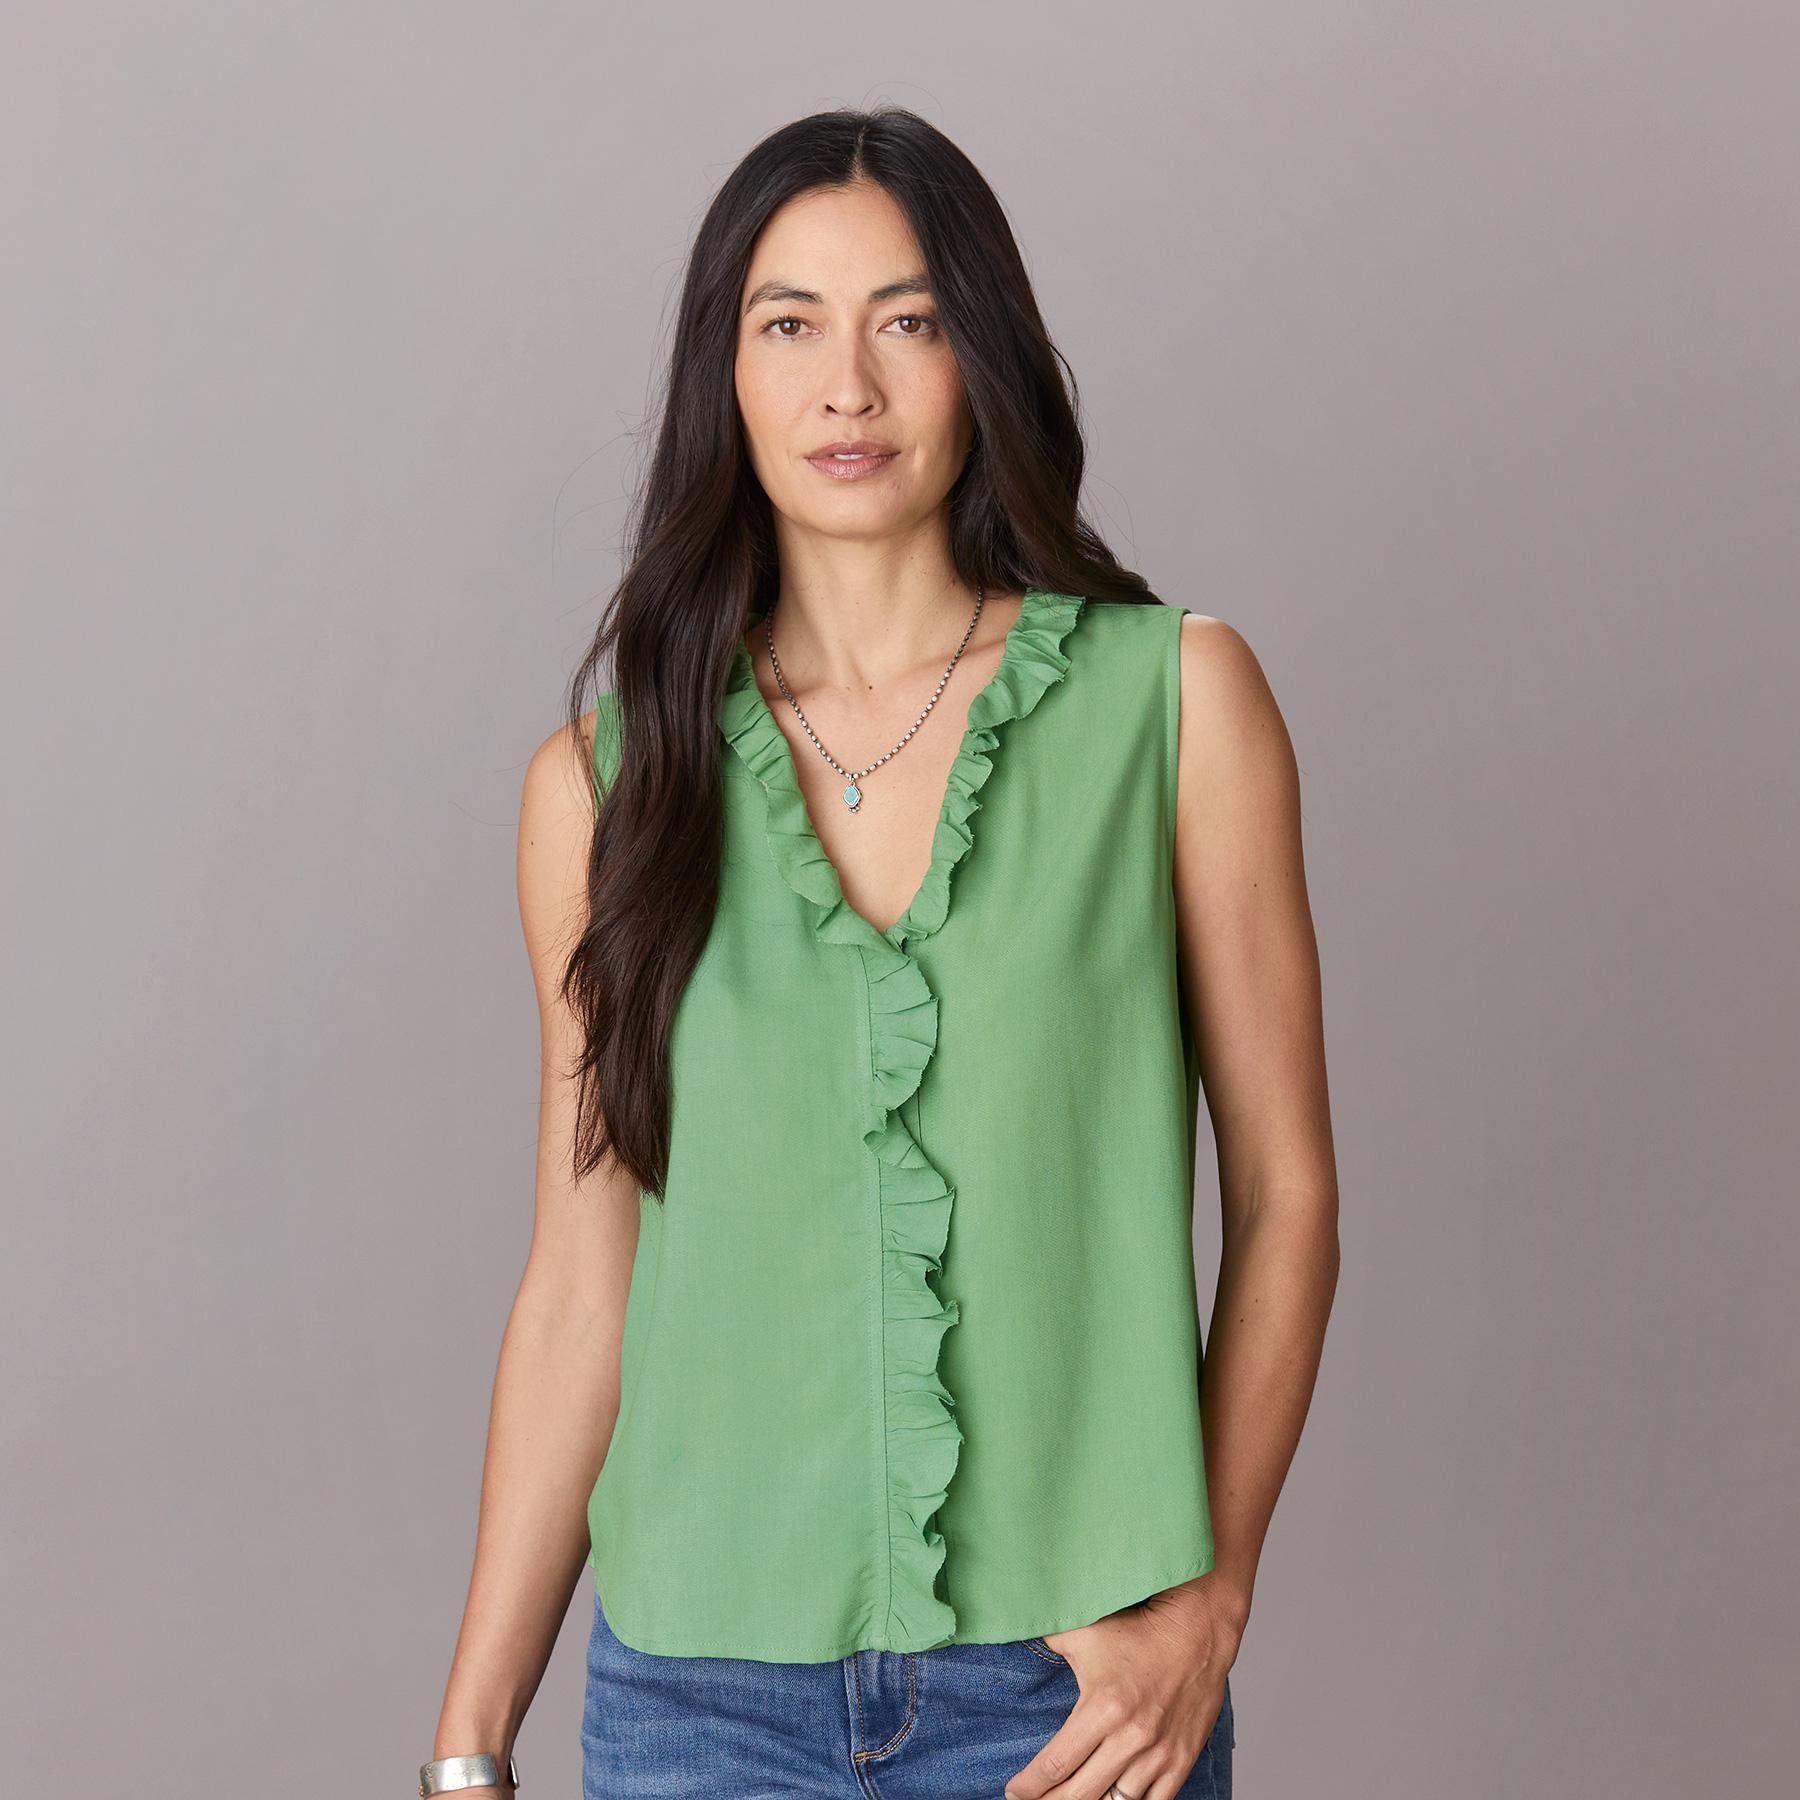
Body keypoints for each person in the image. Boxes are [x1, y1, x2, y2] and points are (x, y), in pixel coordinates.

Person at [421, 105, 1339, 1800]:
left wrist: (1211, 1607)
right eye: (790, 326)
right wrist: (468, 1746)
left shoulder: (1176, 707)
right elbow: (580, 1287)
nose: (847, 386)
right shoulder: (604, 789)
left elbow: (1287, 1196)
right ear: (726, 377)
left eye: (906, 322)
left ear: (982, 358)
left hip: (1071, 1697)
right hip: (697, 1706)